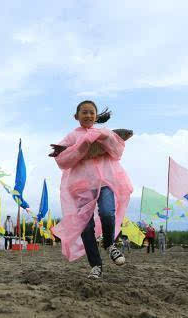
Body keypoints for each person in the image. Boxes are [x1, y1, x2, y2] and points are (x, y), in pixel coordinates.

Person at [50, 100, 133, 279]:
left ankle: (110, 244)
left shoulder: (105, 133)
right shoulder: (71, 136)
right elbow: (62, 161)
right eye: (84, 112)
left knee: (107, 212)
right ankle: (96, 265)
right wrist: (82, 146)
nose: (88, 115)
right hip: (81, 187)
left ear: (96, 116)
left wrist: (105, 139)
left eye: (91, 112)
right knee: (86, 228)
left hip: (105, 182)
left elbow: (117, 152)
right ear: (76, 116)